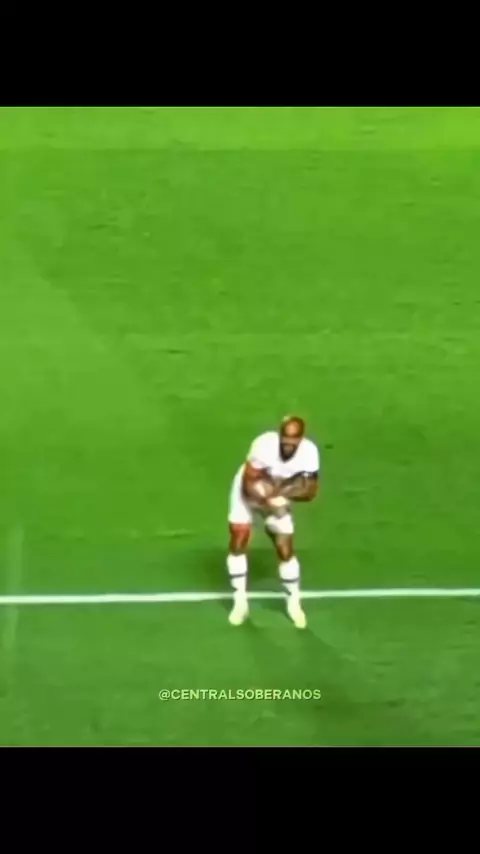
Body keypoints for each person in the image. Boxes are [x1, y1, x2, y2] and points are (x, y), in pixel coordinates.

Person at [227, 415, 320, 628]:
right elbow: (247, 486)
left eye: (292, 440)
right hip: (253, 489)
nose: (287, 444)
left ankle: (294, 602)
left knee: (284, 547)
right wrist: (268, 501)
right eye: (285, 439)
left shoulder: (309, 452)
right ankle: (240, 602)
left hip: (277, 494)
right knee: (239, 536)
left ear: (300, 439)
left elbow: (310, 490)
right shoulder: (263, 445)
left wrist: (282, 496)